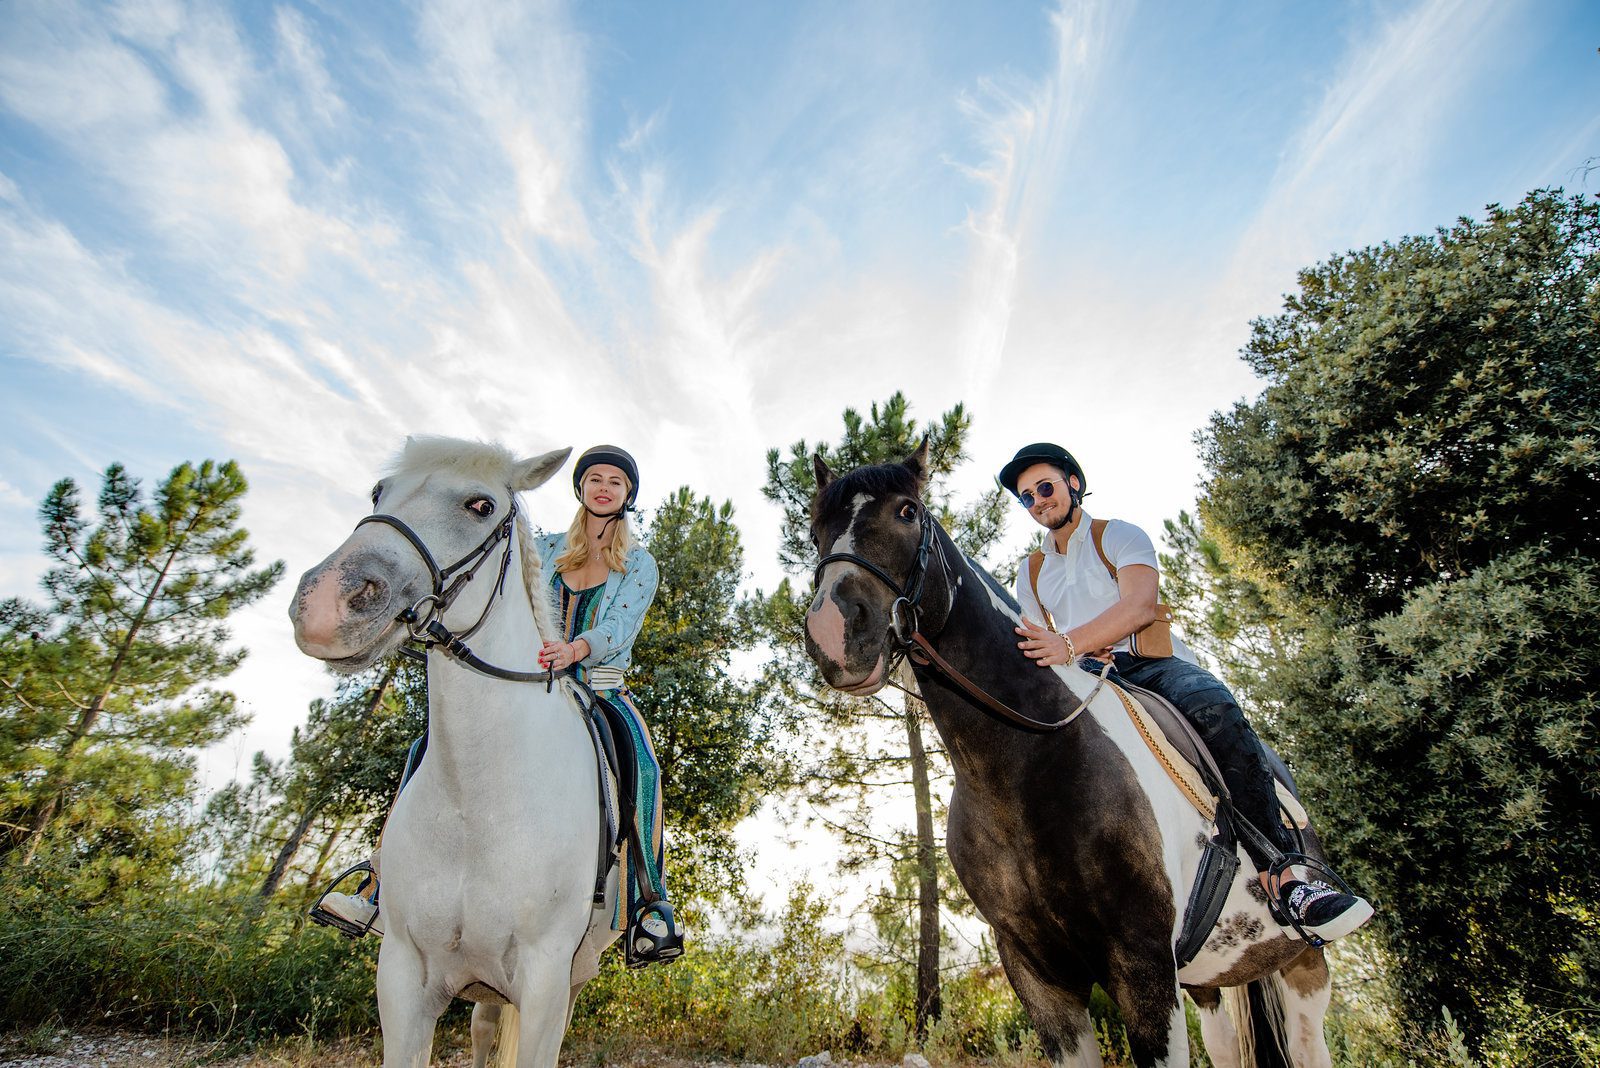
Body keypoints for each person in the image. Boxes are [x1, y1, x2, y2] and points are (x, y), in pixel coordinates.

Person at [317, 445, 683, 967]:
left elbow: (620, 625)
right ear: (580, 489)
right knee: (429, 746)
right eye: (595, 478)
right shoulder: (547, 545)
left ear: (627, 496)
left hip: (598, 685)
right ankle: (377, 884)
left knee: (641, 762)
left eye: (616, 482)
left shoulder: (639, 563)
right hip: (532, 681)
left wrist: (575, 648)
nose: (604, 487)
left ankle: (651, 901)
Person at [997, 442, 1373, 944]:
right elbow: (1033, 639)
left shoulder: (1121, 536)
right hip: (1083, 681)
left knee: (1213, 707)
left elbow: (1139, 607)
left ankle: (1287, 876)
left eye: (1045, 487)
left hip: (1148, 667)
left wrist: (1069, 644)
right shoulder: (1031, 571)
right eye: (1027, 497)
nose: (1038, 500)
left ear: (1073, 484)